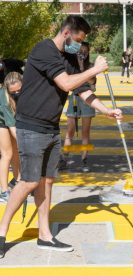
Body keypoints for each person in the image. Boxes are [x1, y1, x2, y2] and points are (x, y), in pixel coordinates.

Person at [0, 15, 122, 259]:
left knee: (46, 181)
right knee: (29, 182)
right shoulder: (43, 49)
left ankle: (45, 236)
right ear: (67, 33)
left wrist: (106, 110)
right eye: (78, 39)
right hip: (31, 125)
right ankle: (1, 233)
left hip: (51, 126)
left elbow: (82, 90)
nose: (80, 45)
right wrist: (95, 69)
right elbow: (66, 84)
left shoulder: (68, 57)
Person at [62, 42, 96, 172]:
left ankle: (84, 159)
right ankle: (64, 158)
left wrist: (83, 68)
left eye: (85, 51)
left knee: (85, 132)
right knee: (70, 131)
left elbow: (92, 81)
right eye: (80, 51)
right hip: (74, 98)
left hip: (87, 99)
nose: (82, 53)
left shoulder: (90, 66)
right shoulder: (71, 65)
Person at [0, 72, 21, 202]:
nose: (17, 93)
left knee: (16, 153)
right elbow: (12, 126)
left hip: (12, 120)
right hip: (1, 122)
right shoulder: (4, 100)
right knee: (7, 154)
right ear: (8, 90)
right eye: (13, 92)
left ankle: (18, 181)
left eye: (19, 90)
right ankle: (3, 191)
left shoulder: (27, 89)